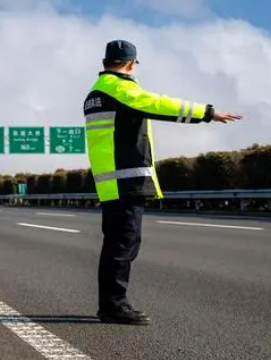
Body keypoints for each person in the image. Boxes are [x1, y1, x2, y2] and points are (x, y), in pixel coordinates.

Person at [83, 40, 242, 325]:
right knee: (123, 246)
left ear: (106, 61)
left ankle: (110, 304)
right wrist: (207, 112)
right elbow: (159, 104)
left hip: (111, 182)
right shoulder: (120, 89)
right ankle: (113, 306)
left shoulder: (95, 93)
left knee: (118, 244)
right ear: (131, 64)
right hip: (126, 181)